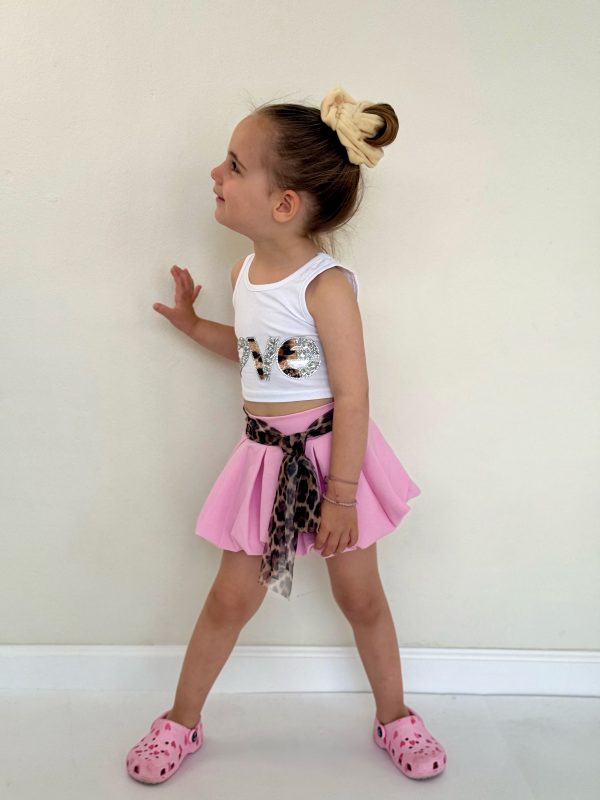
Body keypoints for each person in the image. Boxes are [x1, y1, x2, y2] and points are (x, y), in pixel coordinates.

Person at [125, 87, 447, 784]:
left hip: (333, 461)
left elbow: (353, 396)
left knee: (361, 597)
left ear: (284, 204)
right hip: (265, 462)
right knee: (230, 599)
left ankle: (395, 715)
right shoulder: (242, 273)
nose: (216, 173)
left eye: (235, 165)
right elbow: (257, 355)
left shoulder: (325, 286)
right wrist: (194, 326)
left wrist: (342, 495)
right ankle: (181, 720)